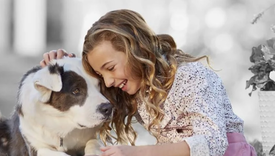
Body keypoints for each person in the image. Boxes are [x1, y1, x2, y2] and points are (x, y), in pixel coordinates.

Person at [41, 9, 256, 156]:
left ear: (136, 50)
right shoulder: (136, 88)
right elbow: (89, 104)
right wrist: (66, 68)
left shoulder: (191, 76)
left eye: (110, 68)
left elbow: (213, 144)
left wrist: (137, 152)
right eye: (100, 74)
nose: (107, 80)